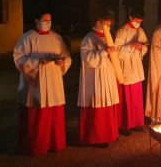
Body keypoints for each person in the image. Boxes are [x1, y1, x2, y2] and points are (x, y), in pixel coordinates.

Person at [13, 12, 72, 156]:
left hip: (53, 80)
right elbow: (18, 59)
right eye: (45, 20)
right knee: (37, 112)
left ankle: (54, 143)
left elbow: (66, 56)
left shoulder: (56, 37)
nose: (48, 23)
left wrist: (62, 61)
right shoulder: (27, 38)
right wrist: (38, 62)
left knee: (54, 111)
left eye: (50, 20)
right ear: (36, 20)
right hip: (36, 81)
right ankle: (37, 146)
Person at [77, 10, 119, 146]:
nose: (108, 27)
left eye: (110, 25)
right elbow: (88, 59)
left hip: (107, 73)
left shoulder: (107, 37)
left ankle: (110, 133)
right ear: (99, 22)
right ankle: (97, 137)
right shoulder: (88, 38)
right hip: (95, 77)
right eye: (106, 24)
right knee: (98, 104)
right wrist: (104, 51)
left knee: (108, 103)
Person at [114, 9, 148, 134]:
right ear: (130, 17)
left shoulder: (140, 30)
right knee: (127, 97)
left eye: (140, 21)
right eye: (136, 20)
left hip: (136, 66)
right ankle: (125, 125)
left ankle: (137, 122)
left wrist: (141, 47)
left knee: (137, 96)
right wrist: (132, 47)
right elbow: (117, 51)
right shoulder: (121, 31)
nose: (138, 23)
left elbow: (145, 45)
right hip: (126, 67)